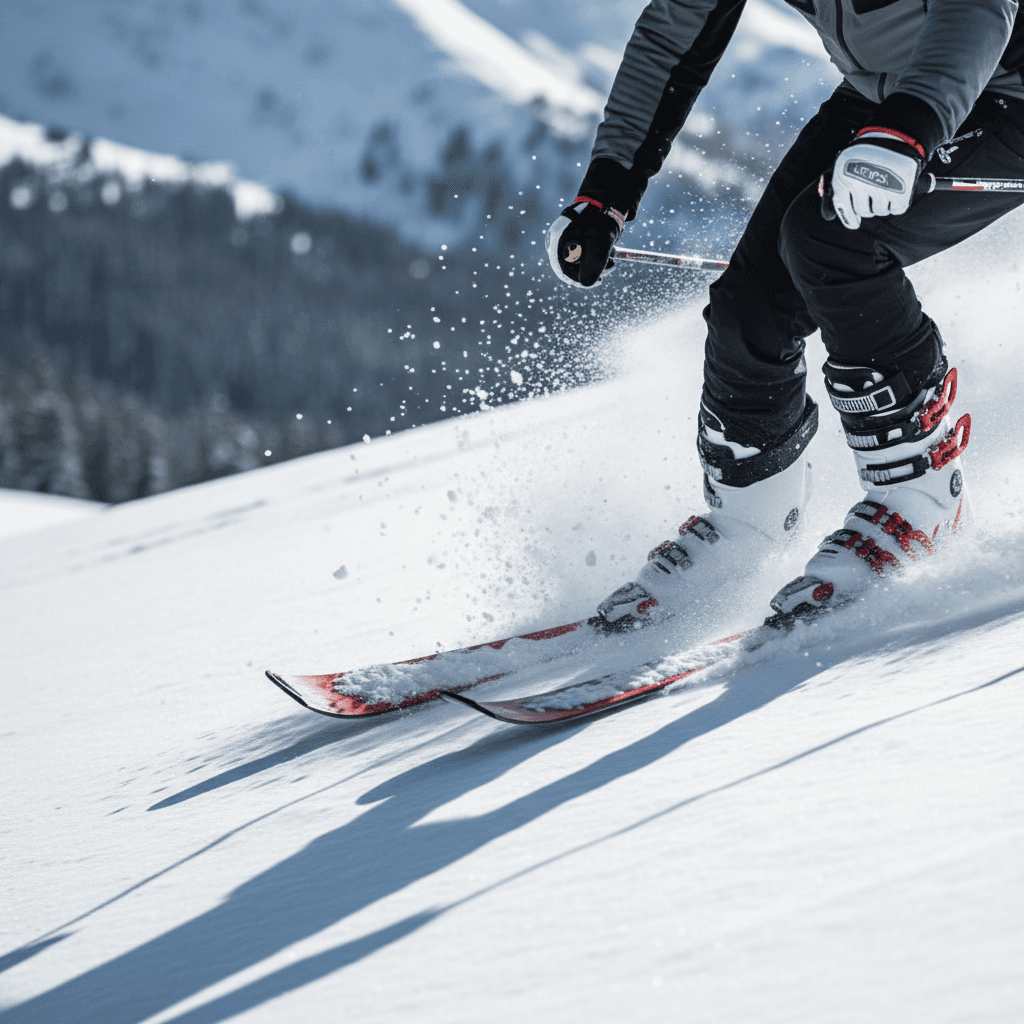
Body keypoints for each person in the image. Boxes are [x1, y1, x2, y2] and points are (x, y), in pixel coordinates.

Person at [546, 0, 1024, 629]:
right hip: (889, 94)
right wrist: (605, 193)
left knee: (831, 238)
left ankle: (922, 503)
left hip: (1002, 87)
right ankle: (750, 521)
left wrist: (911, 127)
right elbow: (673, 38)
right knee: (751, 304)